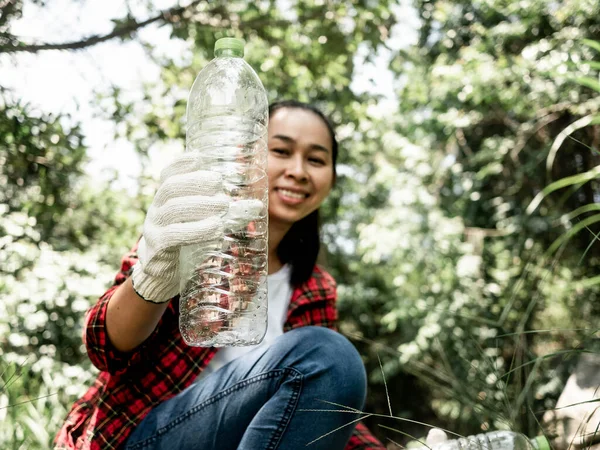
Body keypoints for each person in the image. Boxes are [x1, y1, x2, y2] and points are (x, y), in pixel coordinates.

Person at [54, 100, 386, 450]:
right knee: (328, 353)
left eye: (316, 159)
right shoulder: (195, 226)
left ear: (331, 178)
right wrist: (153, 279)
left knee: (330, 360)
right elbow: (103, 349)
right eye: (281, 151)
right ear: (246, 158)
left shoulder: (315, 288)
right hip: (137, 437)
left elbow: (322, 404)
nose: (298, 170)